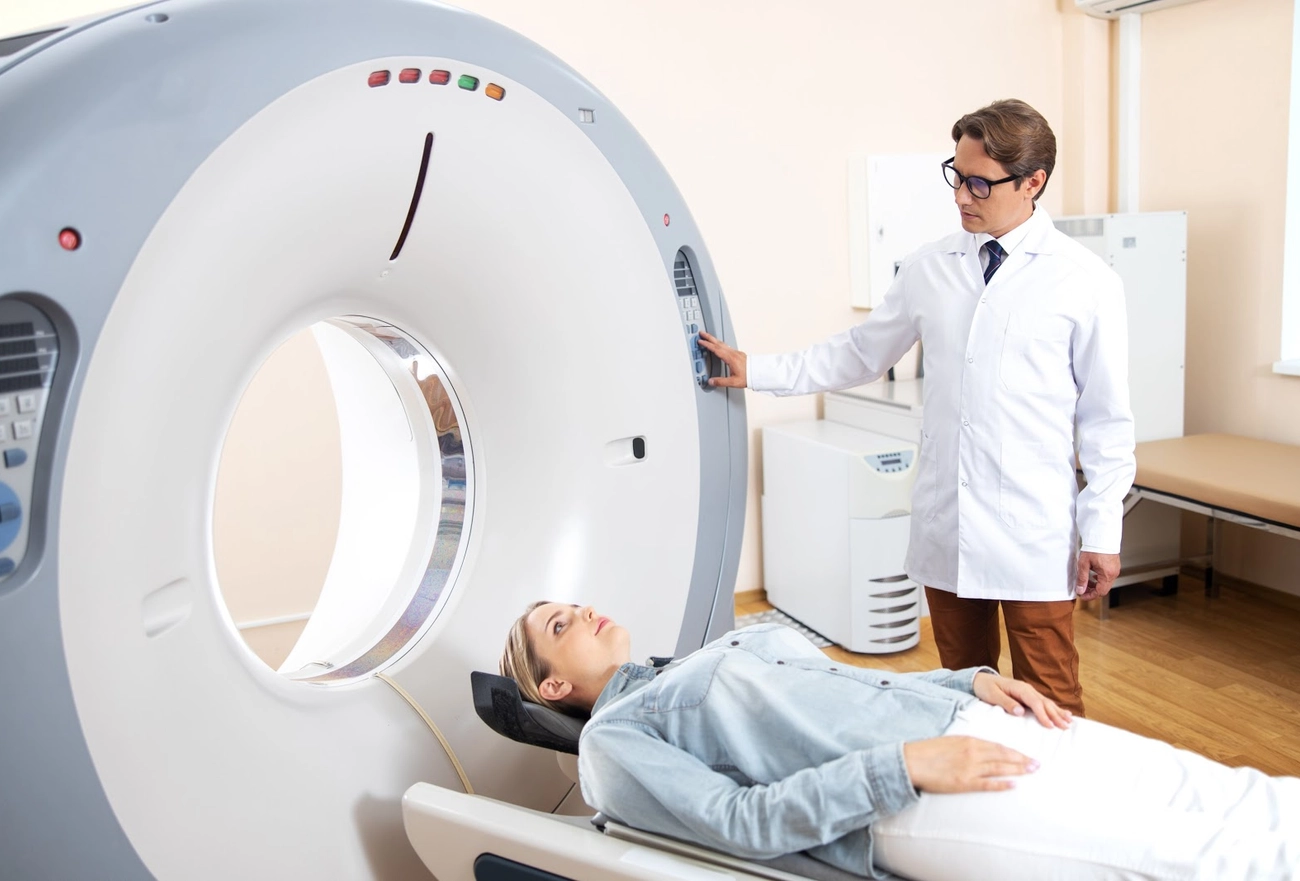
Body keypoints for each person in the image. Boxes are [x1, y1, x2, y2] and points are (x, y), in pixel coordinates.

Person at [698, 99, 1135, 717]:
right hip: (947, 521)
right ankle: (970, 801)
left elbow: (1106, 420)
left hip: (1035, 531)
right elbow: (860, 353)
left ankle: (1050, 805)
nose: (962, 195)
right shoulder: (931, 266)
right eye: (956, 175)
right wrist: (759, 370)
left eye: (980, 182)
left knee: (1051, 696)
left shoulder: (1085, 281)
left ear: (1033, 182)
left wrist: (1102, 529)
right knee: (961, 687)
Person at [500, 601, 1299, 881]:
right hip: (913, 797)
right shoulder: (613, 740)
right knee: (1200, 856)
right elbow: (738, 820)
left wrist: (969, 681)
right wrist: (902, 767)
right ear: (552, 688)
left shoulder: (705, 652)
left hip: (966, 722)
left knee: (1228, 789)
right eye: (559, 626)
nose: (582, 610)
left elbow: (856, 683)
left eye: (572, 602)